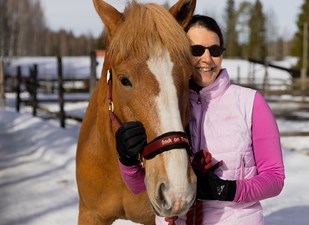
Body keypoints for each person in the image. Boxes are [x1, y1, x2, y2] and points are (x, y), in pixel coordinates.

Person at [116, 15, 285, 225]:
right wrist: (128, 160)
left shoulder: (250, 103)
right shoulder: (166, 106)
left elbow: (275, 178)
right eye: (196, 50)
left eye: (214, 50)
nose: (206, 59)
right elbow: (139, 187)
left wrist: (227, 189)